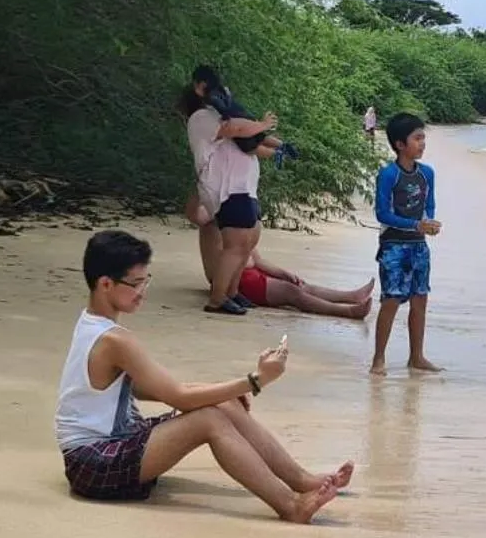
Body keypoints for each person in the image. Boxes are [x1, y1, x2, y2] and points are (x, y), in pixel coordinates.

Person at [55, 229, 350, 522]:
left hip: (115, 443)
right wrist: (256, 380)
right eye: (135, 283)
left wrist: (229, 391)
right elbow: (178, 397)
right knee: (209, 420)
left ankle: (301, 480)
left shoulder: (92, 324)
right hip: (93, 462)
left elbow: (147, 389)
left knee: (223, 405)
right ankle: (291, 506)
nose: (143, 291)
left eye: (146, 280)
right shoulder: (114, 340)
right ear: (105, 284)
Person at [179, 85, 267, 315]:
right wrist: (262, 125)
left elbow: (252, 142)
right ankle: (217, 298)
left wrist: (277, 147)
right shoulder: (203, 117)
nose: (226, 96)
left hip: (244, 187)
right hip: (228, 190)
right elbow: (235, 130)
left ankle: (232, 292)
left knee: (247, 242)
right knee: (235, 244)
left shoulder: (223, 117)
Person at [370, 113, 441, 375]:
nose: (422, 143)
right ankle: (379, 358)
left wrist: (429, 222)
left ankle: (417, 356)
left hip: (419, 245)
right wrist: (415, 225)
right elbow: (382, 214)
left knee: (420, 299)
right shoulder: (389, 174)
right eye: (417, 138)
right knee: (391, 299)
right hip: (393, 245)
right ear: (400, 144)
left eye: (423, 138)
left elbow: (429, 204)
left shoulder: (427, 173)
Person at [236, 254, 375, 320]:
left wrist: (283, 273)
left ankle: (351, 296)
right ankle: (347, 311)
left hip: (251, 272)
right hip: (240, 278)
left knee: (300, 285)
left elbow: (257, 260)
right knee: (290, 292)